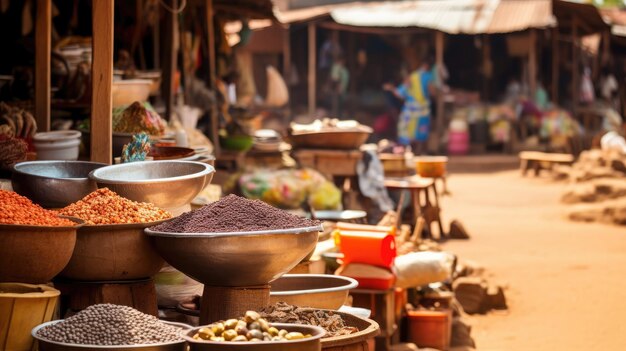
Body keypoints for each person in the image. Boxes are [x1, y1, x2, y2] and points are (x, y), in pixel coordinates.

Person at [383, 57, 435, 154]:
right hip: (423, 110)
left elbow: (400, 93)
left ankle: (408, 152)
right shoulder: (428, 77)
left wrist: (391, 88)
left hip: (411, 111)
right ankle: (419, 152)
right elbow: (432, 92)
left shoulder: (412, 77)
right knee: (421, 132)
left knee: (407, 131)